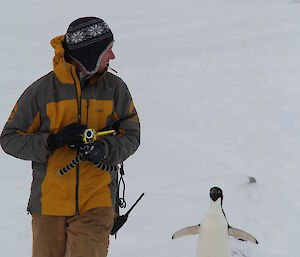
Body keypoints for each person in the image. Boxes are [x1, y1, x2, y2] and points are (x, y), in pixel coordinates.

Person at [0, 16, 140, 257]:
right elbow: (9, 139)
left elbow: (131, 136)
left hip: (97, 202)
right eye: (108, 50)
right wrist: (51, 142)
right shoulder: (41, 92)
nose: (113, 57)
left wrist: (104, 149)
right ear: (90, 55)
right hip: (48, 205)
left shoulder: (116, 89)